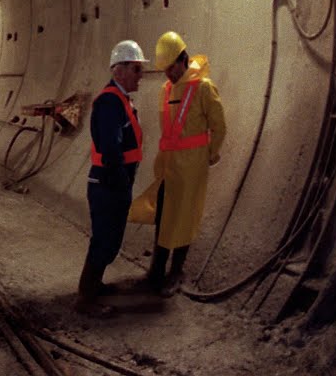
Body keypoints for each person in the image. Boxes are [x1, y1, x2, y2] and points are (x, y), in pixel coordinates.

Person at [129, 31, 227, 296]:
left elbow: (219, 126)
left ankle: (176, 274)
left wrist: (210, 155)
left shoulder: (204, 87)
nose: (168, 74)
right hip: (169, 167)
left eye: (171, 68)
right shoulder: (167, 89)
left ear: (183, 59)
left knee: (183, 219)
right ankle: (156, 272)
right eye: (164, 70)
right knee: (164, 218)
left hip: (192, 168)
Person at [75, 40, 148, 315]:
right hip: (108, 183)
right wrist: (121, 184)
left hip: (113, 182)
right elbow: (111, 148)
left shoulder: (121, 100)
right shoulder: (109, 102)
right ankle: (86, 299)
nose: (140, 76)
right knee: (104, 239)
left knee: (110, 239)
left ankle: (94, 286)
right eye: (136, 69)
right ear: (119, 71)